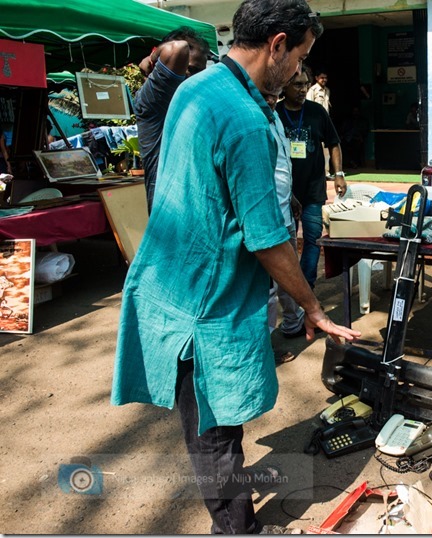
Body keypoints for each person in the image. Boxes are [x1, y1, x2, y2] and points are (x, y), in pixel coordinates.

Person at [111, 1, 359, 534]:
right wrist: (312, 307)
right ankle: (238, 530)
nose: (300, 71)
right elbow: (266, 239)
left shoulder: (198, 89)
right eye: (300, 56)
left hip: (174, 283)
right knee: (215, 431)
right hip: (205, 303)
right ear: (277, 44)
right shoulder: (244, 118)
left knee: (214, 426)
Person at [276, 67, 346, 292]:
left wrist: (339, 174)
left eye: (306, 84)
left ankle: (307, 289)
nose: (303, 89)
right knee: (286, 245)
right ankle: (292, 291)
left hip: (314, 190)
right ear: (284, 86)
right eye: (297, 85)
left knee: (313, 240)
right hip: (285, 193)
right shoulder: (274, 113)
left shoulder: (317, 112)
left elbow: (334, 143)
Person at [135, 26, 210, 213]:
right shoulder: (153, 97)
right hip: (169, 212)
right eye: (189, 69)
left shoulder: (195, 101)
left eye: (199, 71)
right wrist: (152, 58)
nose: (194, 78)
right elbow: (177, 49)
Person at [264, 89, 306, 344]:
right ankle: (266, 344)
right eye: (264, 94)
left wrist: (291, 196)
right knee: (268, 287)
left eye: (274, 95)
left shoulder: (275, 118)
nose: (270, 99)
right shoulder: (253, 122)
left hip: (285, 213)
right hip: (268, 221)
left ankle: (293, 322)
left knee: (290, 273)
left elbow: (281, 166)